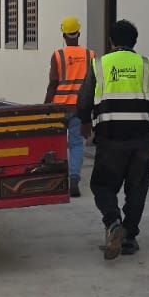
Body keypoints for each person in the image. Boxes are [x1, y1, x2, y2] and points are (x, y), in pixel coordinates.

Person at [76, 19, 149, 260]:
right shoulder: (148, 66)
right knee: (137, 189)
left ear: (111, 41)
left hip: (110, 138)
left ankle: (114, 222)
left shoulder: (99, 65)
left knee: (102, 185)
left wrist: (84, 122)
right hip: (141, 140)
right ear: (134, 42)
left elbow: (84, 99)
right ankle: (129, 237)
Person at [45, 16, 94, 198]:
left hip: (59, 107)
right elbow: (92, 86)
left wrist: (47, 106)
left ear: (64, 35)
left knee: (56, 143)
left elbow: (53, 83)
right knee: (76, 144)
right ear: (78, 33)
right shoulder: (90, 55)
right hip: (79, 108)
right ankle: (73, 178)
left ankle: (56, 179)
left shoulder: (58, 55)